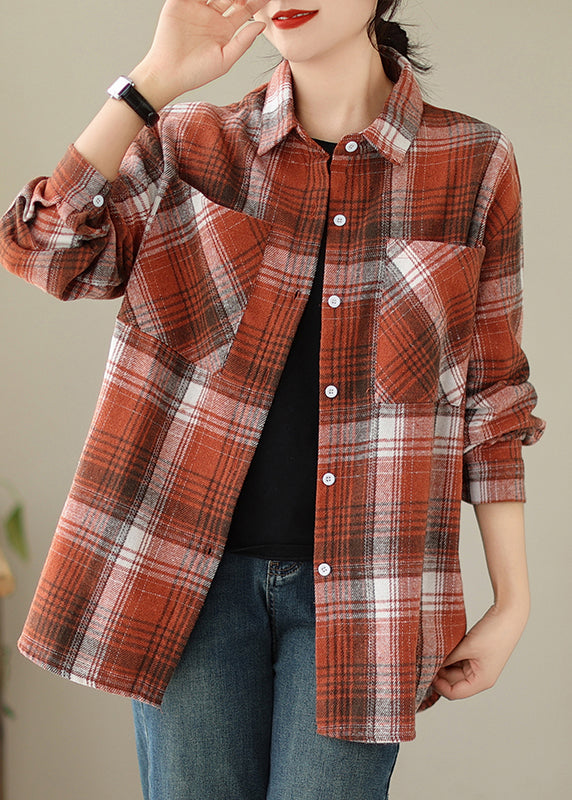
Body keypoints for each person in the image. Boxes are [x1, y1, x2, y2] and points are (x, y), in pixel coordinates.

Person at [0, 1, 546, 798]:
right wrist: (150, 82)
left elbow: (493, 397)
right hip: (183, 581)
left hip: (368, 593)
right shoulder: (190, 141)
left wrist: (513, 601)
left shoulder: (474, 163)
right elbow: (44, 254)